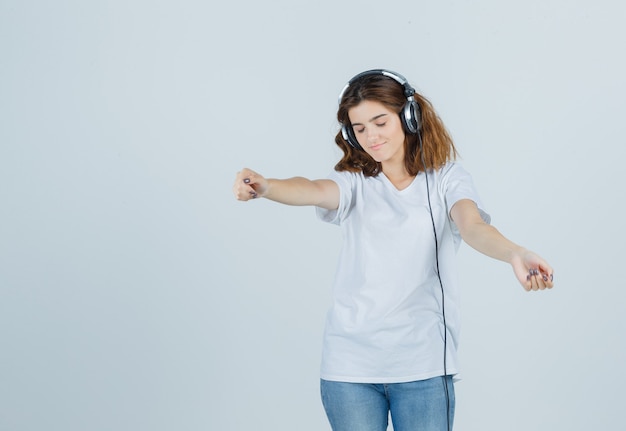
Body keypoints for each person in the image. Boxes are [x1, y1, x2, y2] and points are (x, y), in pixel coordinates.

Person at [232, 69, 554, 431]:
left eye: (380, 121)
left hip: (424, 367)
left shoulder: (447, 178)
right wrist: (266, 186)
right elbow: (309, 189)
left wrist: (515, 252)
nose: (371, 136)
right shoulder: (355, 183)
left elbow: (473, 226)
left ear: (410, 115)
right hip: (349, 368)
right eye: (359, 128)